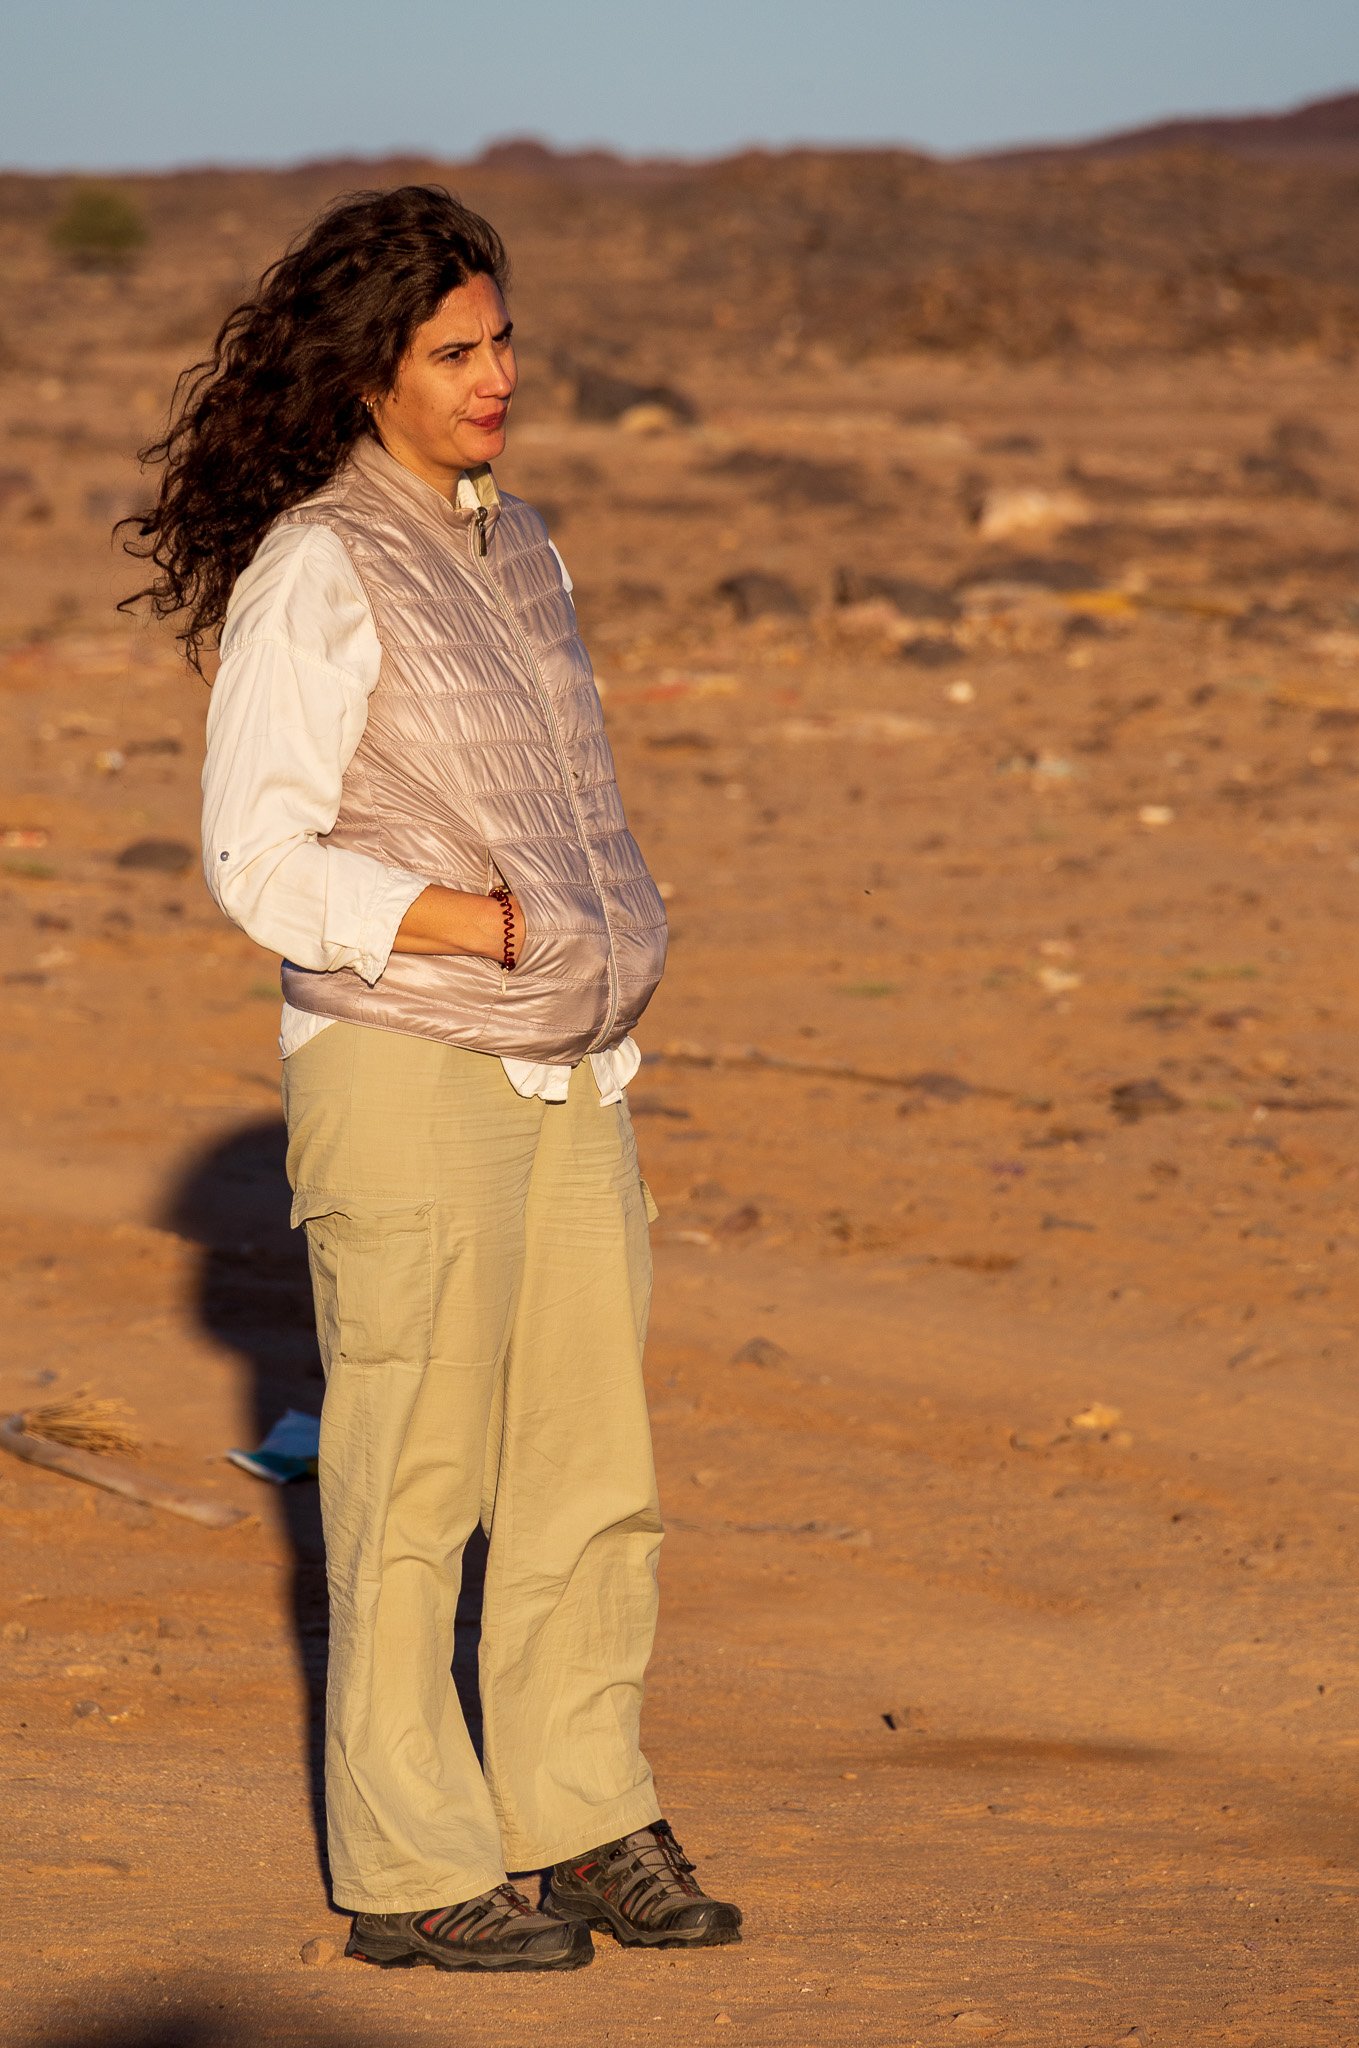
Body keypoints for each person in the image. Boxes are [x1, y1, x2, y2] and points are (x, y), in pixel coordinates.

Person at [122, 183, 740, 1974]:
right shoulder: (318, 562)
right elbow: (255, 857)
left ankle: (582, 1813)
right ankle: (410, 1867)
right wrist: (468, 925)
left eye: (503, 340)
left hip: (570, 1073)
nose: (497, 376)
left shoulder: (521, 542)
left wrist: (583, 950)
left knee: (587, 1473)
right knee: (412, 1483)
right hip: (403, 1069)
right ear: (366, 372)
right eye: (455, 350)